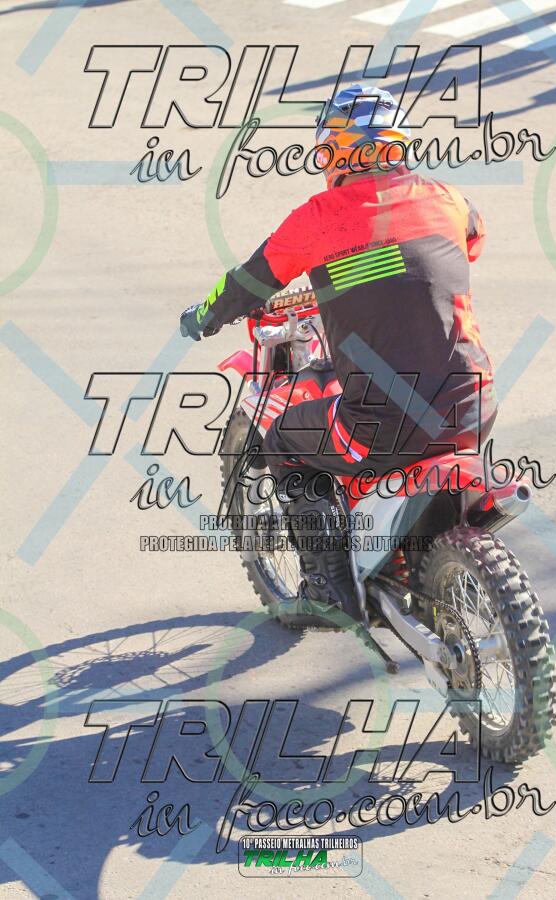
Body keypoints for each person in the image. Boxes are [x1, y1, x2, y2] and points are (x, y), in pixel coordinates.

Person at [180, 84, 497, 619]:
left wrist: (205, 315)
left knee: (285, 440)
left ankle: (328, 593)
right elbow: (469, 244)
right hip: (474, 406)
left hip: (384, 425)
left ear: (335, 153)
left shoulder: (317, 218)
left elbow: (245, 285)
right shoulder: (448, 200)